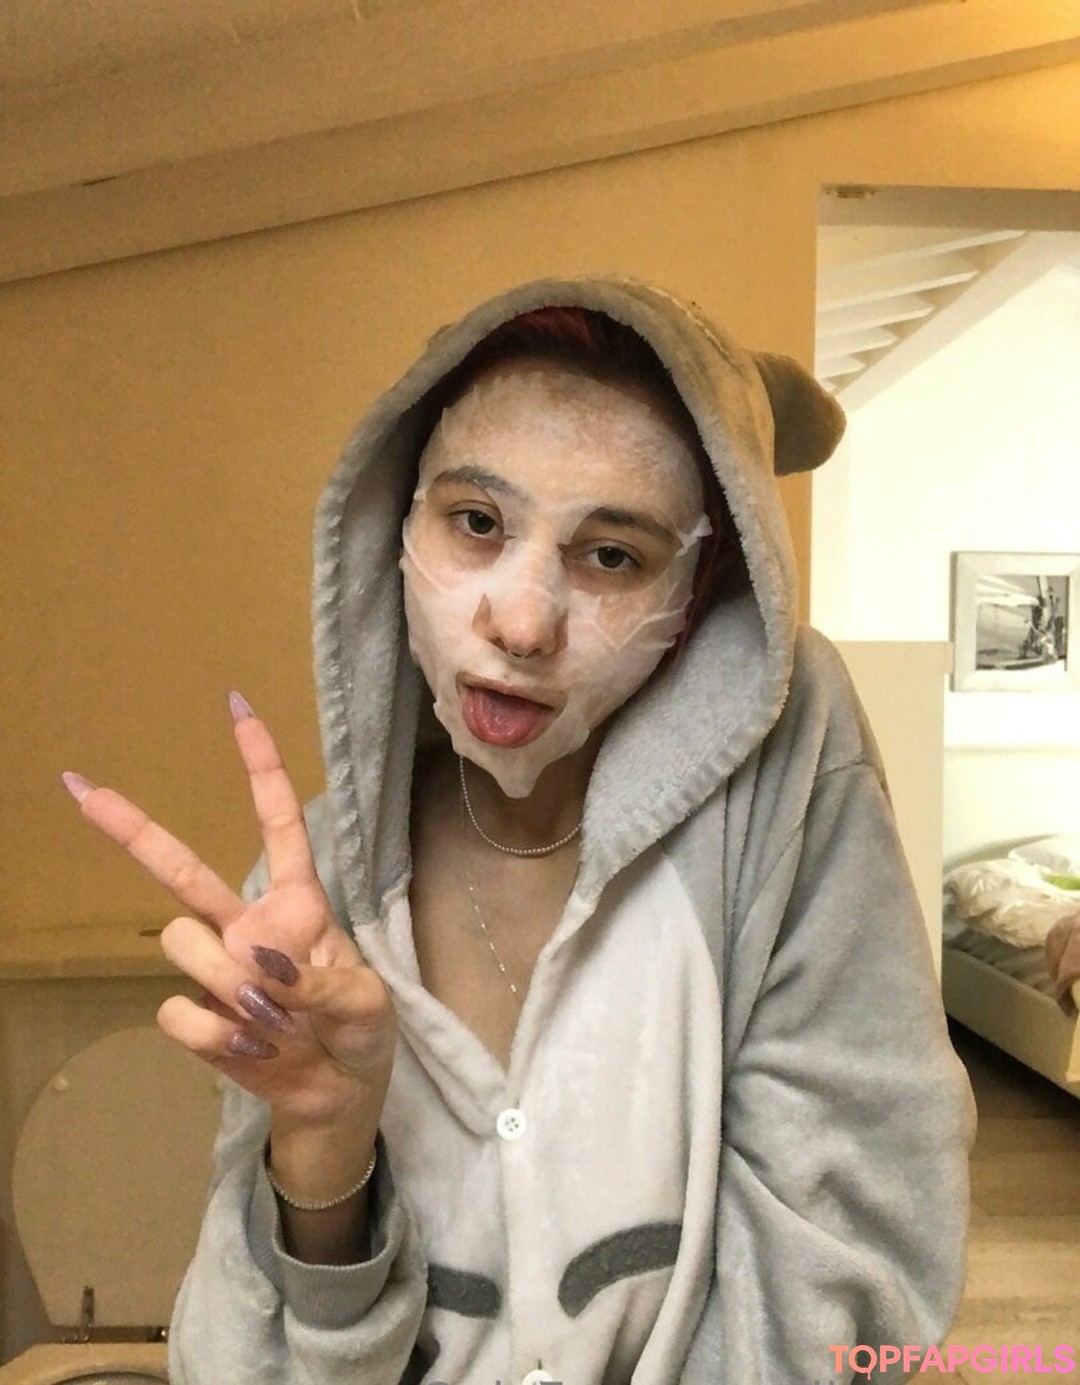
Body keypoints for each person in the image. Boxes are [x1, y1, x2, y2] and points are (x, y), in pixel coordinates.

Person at [63, 275, 975, 1384]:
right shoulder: (307, 905)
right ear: (395, 531)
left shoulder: (768, 811)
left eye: (612, 554)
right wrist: (324, 1164)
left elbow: (852, 1244)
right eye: (477, 522)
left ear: (694, 598)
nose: (523, 620)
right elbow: (246, 1362)